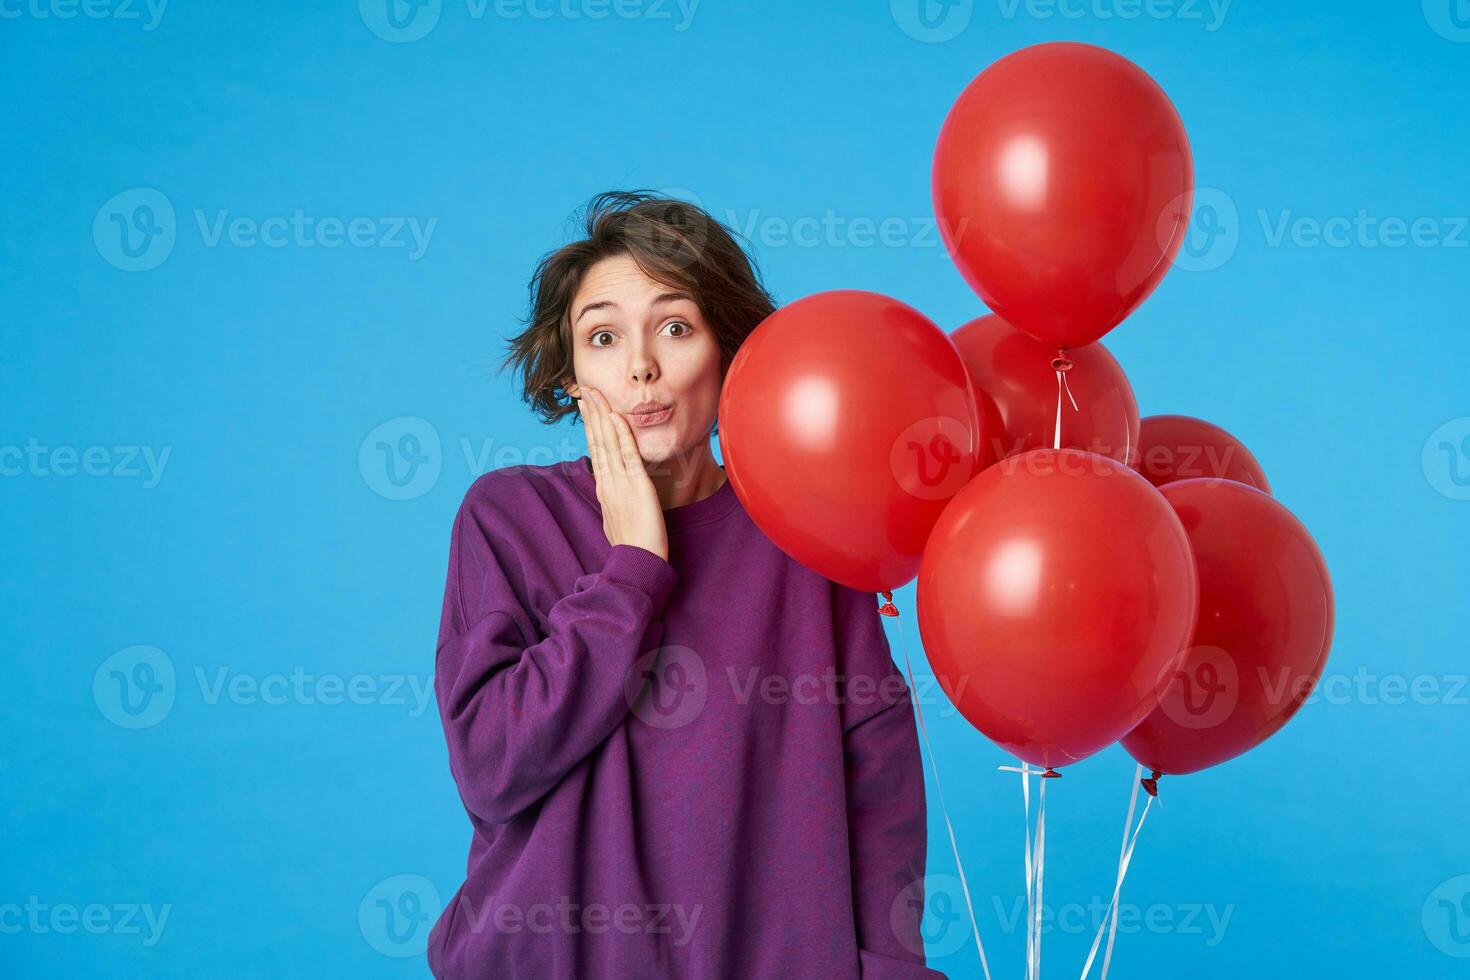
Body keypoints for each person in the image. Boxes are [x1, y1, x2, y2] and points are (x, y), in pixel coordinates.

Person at [427, 191, 944, 979]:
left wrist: (888, 966)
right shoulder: (507, 518)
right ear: (571, 375)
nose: (641, 365)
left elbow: (881, 790)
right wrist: (633, 567)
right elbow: (493, 764)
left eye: (675, 327)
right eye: (603, 337)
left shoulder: (804, 531)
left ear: (731, 350)